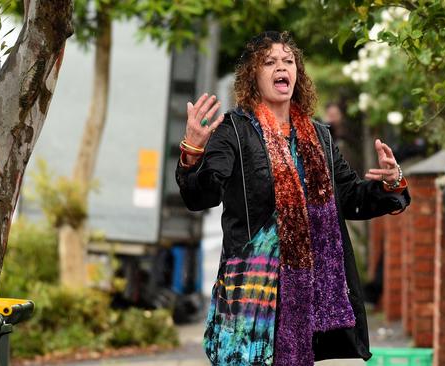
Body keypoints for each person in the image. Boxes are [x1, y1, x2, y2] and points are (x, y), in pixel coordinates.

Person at [175, 31, 410, 366]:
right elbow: (202, 196)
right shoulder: (235, 131)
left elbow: (352, 198)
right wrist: (192, 151)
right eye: (269, 62)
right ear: (254, 76)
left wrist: (392, 184)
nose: (280, 67)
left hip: (305, 290)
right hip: (253, 290)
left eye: (288, 61)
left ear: (297, 73)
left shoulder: (320, 138)